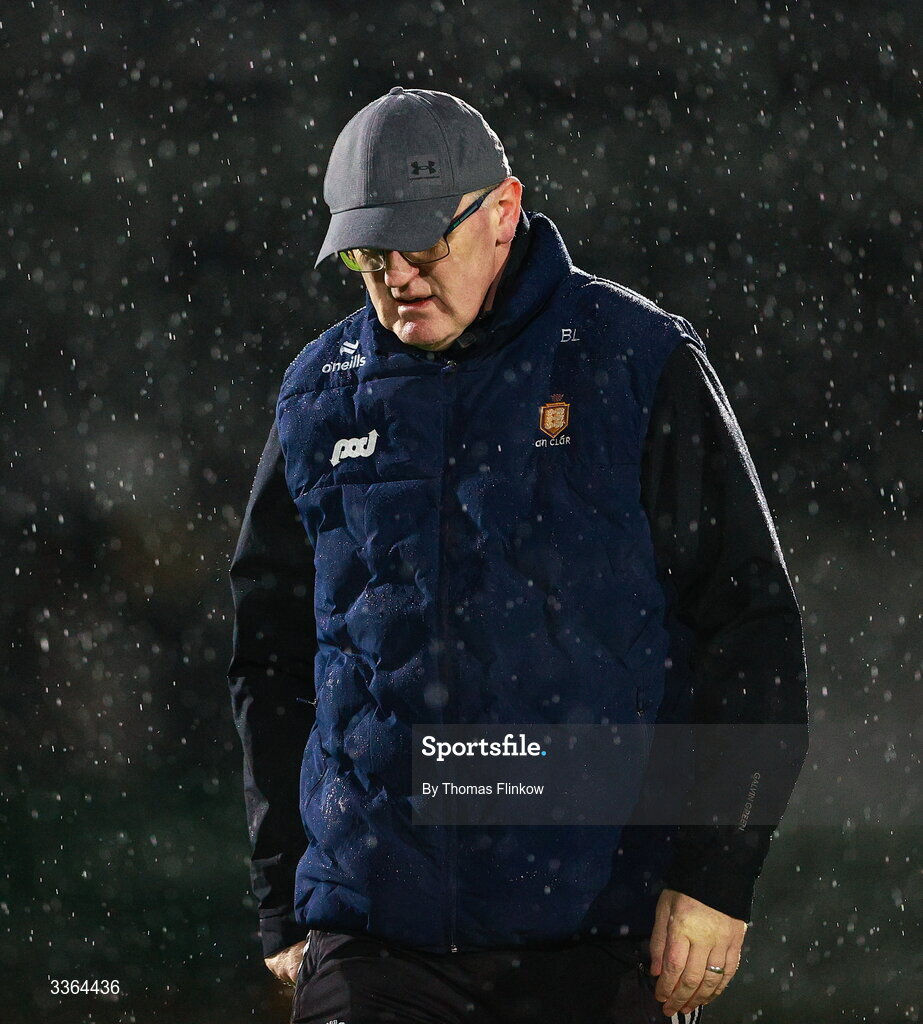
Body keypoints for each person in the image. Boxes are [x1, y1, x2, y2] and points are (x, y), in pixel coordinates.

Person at [227, 87, 810, 1024]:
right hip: (373, 937)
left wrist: (717, 875)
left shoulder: (635, 356)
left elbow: (748, 626)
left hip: (597, 930)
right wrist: (281, 897)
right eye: (369, 259)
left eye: (422, 250)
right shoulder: (315, 394)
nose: (397, 281)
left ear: (502, 212)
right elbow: (270, 655)